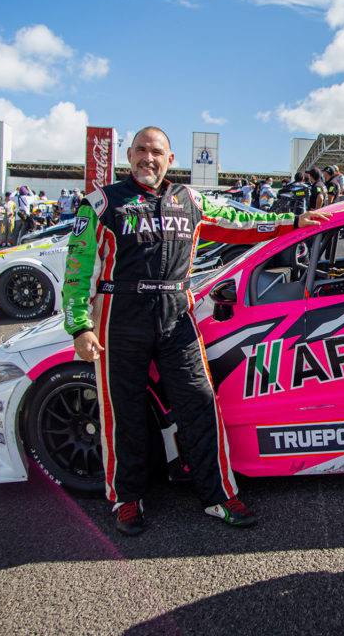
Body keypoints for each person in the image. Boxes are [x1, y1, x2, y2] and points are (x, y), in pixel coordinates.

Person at [62, 126, 328, 536]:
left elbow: (240, 221)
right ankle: (126, 498)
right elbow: (78, 266)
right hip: (120, 314)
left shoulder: (189, 199)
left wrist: (290, 221)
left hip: (175, 312)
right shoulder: (101, 202)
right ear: (129, 155)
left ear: (170, 159)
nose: (148, 158)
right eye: (141, 150)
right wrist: (80, 325)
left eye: (157, 152)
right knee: (123, 412)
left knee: (200, 403)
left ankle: (219, 495)